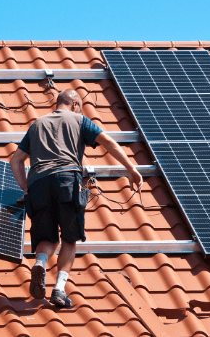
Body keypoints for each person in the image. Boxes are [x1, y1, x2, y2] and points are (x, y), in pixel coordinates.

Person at [9, 89, 143, 308]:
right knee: (69, 238)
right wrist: (130, 168)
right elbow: (108, 142)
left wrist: (26, 190)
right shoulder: (80, 120)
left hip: (38, 184)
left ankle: (41, 262)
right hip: (67, 180)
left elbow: (16, 161)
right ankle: (59, 290)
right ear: (75, 105)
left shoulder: (36, 125)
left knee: (47, 238)